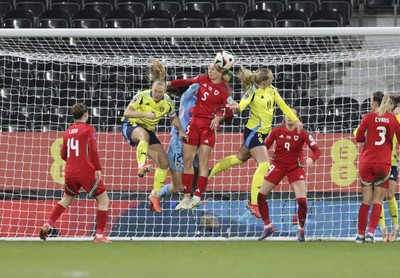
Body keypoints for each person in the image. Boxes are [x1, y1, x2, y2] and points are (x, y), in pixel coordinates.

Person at [209, 67, 303, 218]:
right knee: (264, 164)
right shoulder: (252, 91)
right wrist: (237, 107)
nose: (273, 78)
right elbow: (243, 105)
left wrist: (297, 120)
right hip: (253, 132)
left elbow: (283, 106)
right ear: (265, 80)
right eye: (271, 77)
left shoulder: (272, 90)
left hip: (262, 133)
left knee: (239, 158)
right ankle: (253, 202)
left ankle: (209, 173)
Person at [121, 59, 188, 213]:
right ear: (151, 88)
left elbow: (173, 117)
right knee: (143, 136)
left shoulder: (168, 103)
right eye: (155, 91)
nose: (157, 94)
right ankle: (141, 165)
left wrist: (180, 130)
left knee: (164, 164)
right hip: (131, 125)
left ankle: (155, 195)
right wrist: (144, 113)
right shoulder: (142, 96)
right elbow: (126, 112)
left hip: (148, 131)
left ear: (164, 92)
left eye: (160, 92)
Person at [167, 60, 234, 210]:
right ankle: (186, 197)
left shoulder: (225, 90)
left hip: (208, 127)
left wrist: (219, 118)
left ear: (221, 72)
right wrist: (169, 83)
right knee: (188, 160)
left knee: (203, 163)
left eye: (213, 70)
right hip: (194, 123)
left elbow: (230, 114)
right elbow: (185, 81)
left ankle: (197, 197)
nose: (209, 71)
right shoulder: (202, 79)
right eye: (209, 68)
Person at [39, 103, 111, 243]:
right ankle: (99, 236)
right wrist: (97, 168)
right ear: (86, 115)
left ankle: (47, 224)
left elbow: (63, 155)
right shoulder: (89, 129)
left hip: (70, 172)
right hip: (86, 171)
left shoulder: (67, 132)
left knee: (66, 199)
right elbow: (93, 150)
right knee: (103, 200)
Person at [257, 107, 320, 242]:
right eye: (286, 114)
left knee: (302, 201)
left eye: (292, 114)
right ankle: (267, 226)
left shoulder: (302, 132)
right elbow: (264, 146)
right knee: (261, 195)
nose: (288, 116)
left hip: (295, 167)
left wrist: (311, 159)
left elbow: (317, 151)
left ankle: (301, 229)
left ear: (297, 117)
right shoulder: (276, 130)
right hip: (278, 165)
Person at [355, 91, 400, 243]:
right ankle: (371, 234)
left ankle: (360, 235)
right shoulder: (392, 119)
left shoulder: (367, 117)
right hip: (383, 163)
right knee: (378, 200)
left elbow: (359, 138)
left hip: (367, 161)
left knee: (366, 200)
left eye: (371, 101)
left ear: (375, 103)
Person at [158, 83, 200, 199]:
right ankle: (156, 195)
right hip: (178, 144)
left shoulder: (205, 105)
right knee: (177, 188)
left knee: (196, 183)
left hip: (193, 146)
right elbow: (197, 85)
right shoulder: (187, 97)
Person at [378, 96, 400, 242]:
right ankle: (382, 229)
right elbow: (358, 133)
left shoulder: (396, 119)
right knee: (378, 196)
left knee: (390, 195)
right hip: (377, 162)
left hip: (391, 162)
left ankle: (395, 226)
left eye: (388, 103)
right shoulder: (375, 118)